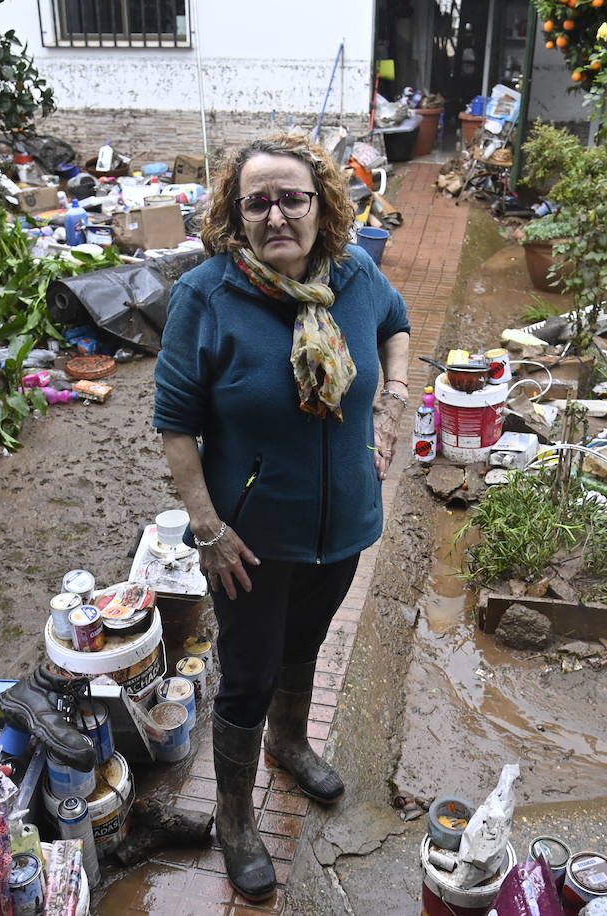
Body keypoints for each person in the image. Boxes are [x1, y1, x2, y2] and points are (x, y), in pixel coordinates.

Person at [152, 134, 411, 901]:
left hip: (346, 523)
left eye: (291, 197)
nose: (275, 215)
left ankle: (291, 745)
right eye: (256, 201)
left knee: (308, 641)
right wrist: (207, 527)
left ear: (320, 204)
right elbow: (175, 427)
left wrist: (394, 405)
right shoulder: (207, 295)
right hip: (250, 540)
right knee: (248, 674)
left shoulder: (357, 274)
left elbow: (397, 325)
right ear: (236, 214)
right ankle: (235, 818)